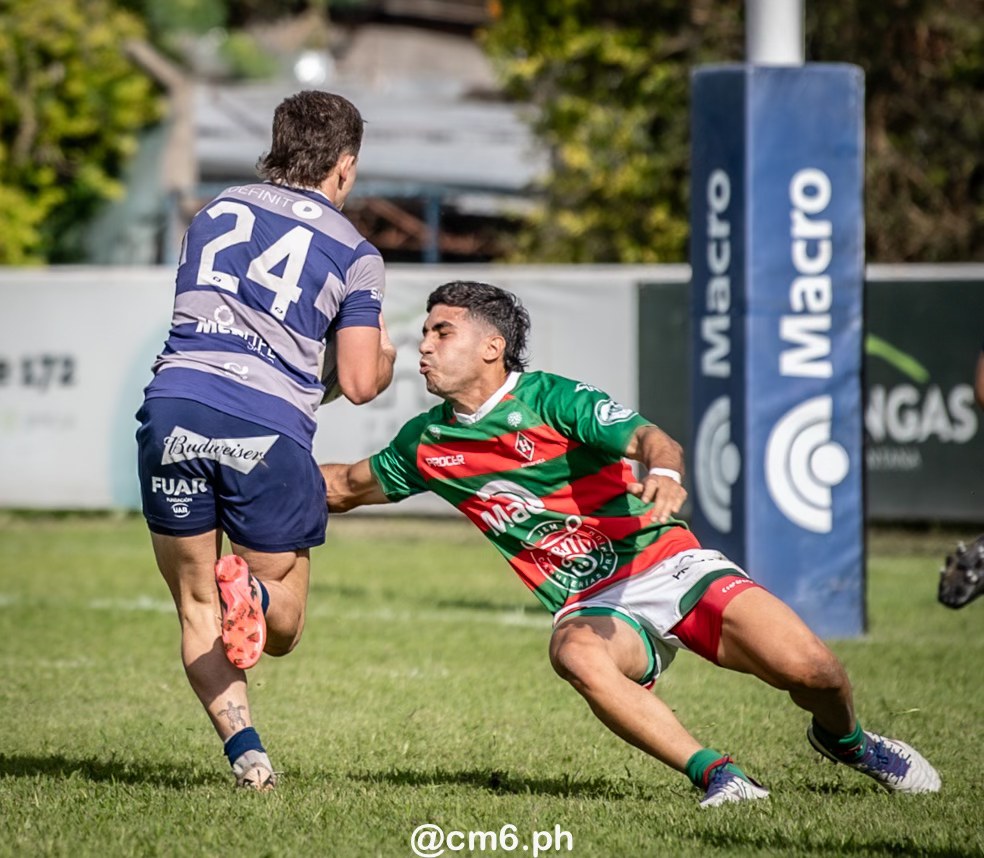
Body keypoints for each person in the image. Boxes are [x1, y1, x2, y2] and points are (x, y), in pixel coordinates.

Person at [320, 280, 941, 808]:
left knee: (815, 671)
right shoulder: (426, 443)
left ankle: (848, 742)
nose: (424, 346)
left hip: (668, 565)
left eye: (441, 332)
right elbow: (343, 486)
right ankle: (720, 777)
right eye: (425, 333)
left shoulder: (553, 399)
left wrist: (664, 473)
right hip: (592, 602)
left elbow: (652, 441)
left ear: (492, 347)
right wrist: (266, 454)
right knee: (573, 652)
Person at [135, 90, 396, 790]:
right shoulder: (355, 252)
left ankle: (248, 757)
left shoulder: (213, 211)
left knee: (197, 604)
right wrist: (382, 359)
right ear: (345, 165)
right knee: (283, 624)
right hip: (266, 424)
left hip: (175, 405)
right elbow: (360, 382)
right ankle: (249, 587)